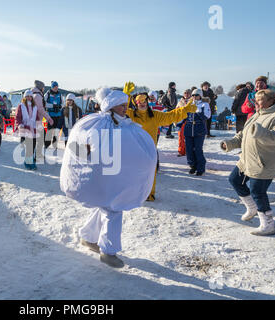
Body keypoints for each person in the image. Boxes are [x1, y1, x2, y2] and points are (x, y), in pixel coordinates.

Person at [61, 90, 157, 268]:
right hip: (104, 176)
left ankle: (88, 237)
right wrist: (87, 151)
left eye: (126, 105)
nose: (125, 109)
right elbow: (80, 144)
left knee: (105, 206)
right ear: (111, 106)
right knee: (114, 209)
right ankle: (108, 252)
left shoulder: (125, 124)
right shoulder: (97, 123)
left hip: (114, 176)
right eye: (122, 105)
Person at [221, 89, 275, 236]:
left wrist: (260, 133)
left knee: (258, 191)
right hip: (247, 159)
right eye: (255, 100)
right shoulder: (257, 114)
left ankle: (268, 224)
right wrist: (230, 143)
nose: (255, 103)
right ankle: (252, 207)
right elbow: (243, 135)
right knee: (234, 180)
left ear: (270, 101)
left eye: (259, 100)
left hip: (264, 162)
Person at [126, 88, 196, 201]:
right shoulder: (131, 115)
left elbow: (170, 116)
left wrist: (185, 110)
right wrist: (126, 96)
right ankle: (135, 194)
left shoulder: (154, 115)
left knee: (150, 174)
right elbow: (119, 111)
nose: (142, 104)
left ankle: (149, 194)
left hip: (149, 151)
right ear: (135, 103)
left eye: (144, 101)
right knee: (135, 174)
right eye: (140, 102)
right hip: (135, 151)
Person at [184, 89, 211, 176]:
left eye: (196, 95)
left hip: (199, 129)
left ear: (200, 96)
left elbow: (207, 116)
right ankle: (192, 165)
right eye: (193, 95)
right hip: (188, 129)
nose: (194, 97)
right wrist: (179, 123)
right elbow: (184, 115)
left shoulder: (204, 104)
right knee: (189, 149)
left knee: (198, 149)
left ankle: (200, 168)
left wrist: (198, 110)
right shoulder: (189, 104)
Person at [15, 90, 43, 170]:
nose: (29, 98)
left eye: (30, 96)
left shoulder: (35, 107)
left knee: (33, 146)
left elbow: (37, 117)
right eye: (27, 96)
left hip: (33, 129)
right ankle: (29, 163)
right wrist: (20, 125)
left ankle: (28, 161)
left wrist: (39, 125)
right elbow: (17, 117)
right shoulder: (21, 106)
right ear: (24, 97)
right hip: (25, 128)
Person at [32, 80, 53, 162]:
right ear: (40, 87)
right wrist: (48, 118)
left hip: (36, 120)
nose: (44, 89)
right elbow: (40, 109)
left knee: (39, 138)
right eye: (43, 87)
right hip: (36, 120)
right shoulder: (37, 96)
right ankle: (37, 155)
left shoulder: (35, 94)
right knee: (41, 138)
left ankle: (37, 155)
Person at [44, 81, 63, 149]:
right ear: (52, 87)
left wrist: (59, 106)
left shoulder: (59, 94)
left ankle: (55, 144)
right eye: (54, 87)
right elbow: (44, 103)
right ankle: (47, 144)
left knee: (57, 130)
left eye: (57, 87)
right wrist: (52, 106)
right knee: (50, 130)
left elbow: (62, 103)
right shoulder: (47, 94)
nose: (56, 88)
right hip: (50, 115)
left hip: (58, 115)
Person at [176, 89, 193, 156]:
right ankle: (181, 151)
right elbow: (176, 111)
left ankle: (189, 151)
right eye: (185, 93)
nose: (186, 94)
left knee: (189, 137)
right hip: (181, 121)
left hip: (189, 121)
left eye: (188, 93)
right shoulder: (180, 102)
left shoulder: (192, 101)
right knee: (181, 136)